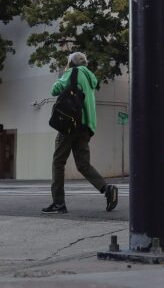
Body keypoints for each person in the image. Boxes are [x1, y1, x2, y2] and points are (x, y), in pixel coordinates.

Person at [42, 52, 117, 214]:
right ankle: (107, 188)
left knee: (58, 162)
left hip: (71, 124)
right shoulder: (90, 78)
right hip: (86, 127)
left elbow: (55, 90)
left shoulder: (72, 72)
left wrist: (65, 71)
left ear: (71, 63)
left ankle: (58, 203)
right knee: (83, 164)